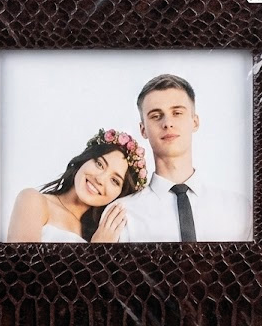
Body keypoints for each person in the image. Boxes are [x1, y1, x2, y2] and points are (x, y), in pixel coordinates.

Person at [107, 74, 252, 242]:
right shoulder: (120, 216)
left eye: (177, 113)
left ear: (195, 122)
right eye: (156, 116)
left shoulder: (239, 209)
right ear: (143, 129)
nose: (167, 123)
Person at [6, 129, 148, 242]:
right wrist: (97, 251)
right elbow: (20, 268)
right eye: (99, 164)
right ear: (84, 160)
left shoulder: (105, 233)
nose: (100, 179)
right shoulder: (33, 201)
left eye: (114, 181)